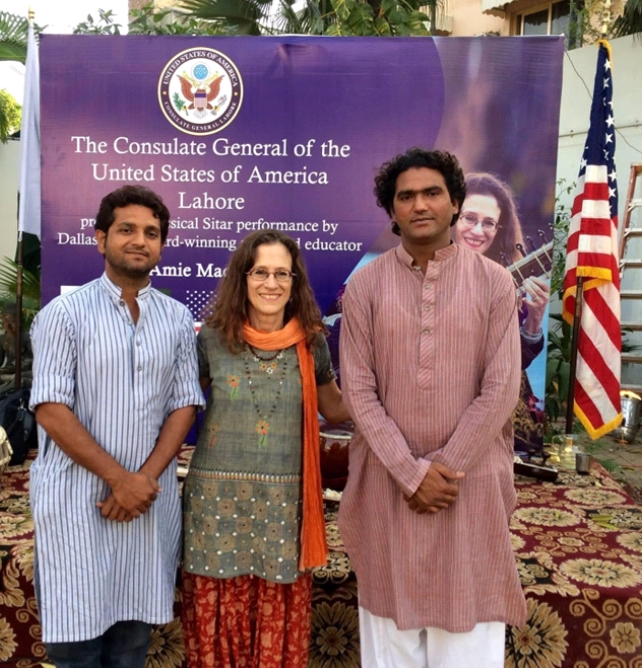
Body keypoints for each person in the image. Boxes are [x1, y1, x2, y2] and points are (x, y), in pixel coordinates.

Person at [339, 148, 527, 668]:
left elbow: (501, 386)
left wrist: (443, 468)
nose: (419, 204)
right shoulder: (366, 286)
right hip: (386, 485)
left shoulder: (494, 282)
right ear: (392, 210)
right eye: (406, 196)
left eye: (432, 193)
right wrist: (408, 472)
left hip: (468, 486)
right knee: (389, 639)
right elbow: (358, 390)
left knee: (467, 639)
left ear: (454, 204)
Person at [29, 185, 204, 668]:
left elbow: (185, 404)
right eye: (126, 229)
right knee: (76, 647)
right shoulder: (63, 315)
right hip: (77, 506)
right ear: (100, 238)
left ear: (161, 246)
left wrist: (142, 480)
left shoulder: (176, 318)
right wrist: (119, 479)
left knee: (130, 642)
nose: (139, 240)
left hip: (146, 503)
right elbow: (50, 409)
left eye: (151, 233)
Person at [180, 229, 349, 668]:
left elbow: (335, 410)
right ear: (243, 277)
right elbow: (180, 412)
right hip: (215, 508)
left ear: (295, 283)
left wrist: (389, 383)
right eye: (260, 272)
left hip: (283, 509)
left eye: (281, 274)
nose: (270, 283)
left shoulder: (311, 342)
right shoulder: (211, 339)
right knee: (219, 622)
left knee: (277, 615)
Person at [453, 172, 550, 455]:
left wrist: (533, 322)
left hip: (486, 395)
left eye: (489, 223)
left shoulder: (510, 279)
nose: (478, 231)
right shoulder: (416, 266)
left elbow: (515, 364)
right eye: (469, 218)